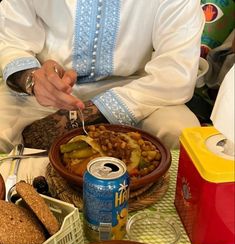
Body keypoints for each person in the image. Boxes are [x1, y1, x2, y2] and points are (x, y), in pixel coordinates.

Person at [0, 0, 204, 153]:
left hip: (137, 90)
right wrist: (32, 79)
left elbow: (175, 72)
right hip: (46, 88)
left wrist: (75, 119)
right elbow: (13, 42)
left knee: (180, 133)